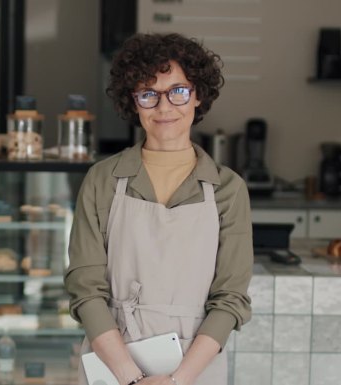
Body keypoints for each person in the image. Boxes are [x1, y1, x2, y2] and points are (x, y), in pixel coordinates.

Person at [64, 33, 253, 385]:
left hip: (195, 367)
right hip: (113, 363)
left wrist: (178, 380)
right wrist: (131, 378)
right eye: (148, 94)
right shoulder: (102, 180)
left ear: (198, 95)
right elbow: (85, 288)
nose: (164, 108)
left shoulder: (228, 190)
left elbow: (229, 299)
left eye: (178, 91)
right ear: (132, 102)